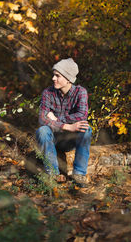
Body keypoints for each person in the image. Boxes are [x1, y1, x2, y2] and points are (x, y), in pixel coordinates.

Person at [36, 58, 92, 187]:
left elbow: (82, 115)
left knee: (86, 128)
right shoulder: (48, 93)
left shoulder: (80, 92)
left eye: (57, 76)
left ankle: (79, 174)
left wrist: (55, 119)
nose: (53, 79)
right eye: (54, 75)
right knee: (42, 130)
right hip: (53, 139)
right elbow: (42, 119)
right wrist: (67, 126)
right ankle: (53, 175)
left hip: (71, 140)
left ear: (68, 78)